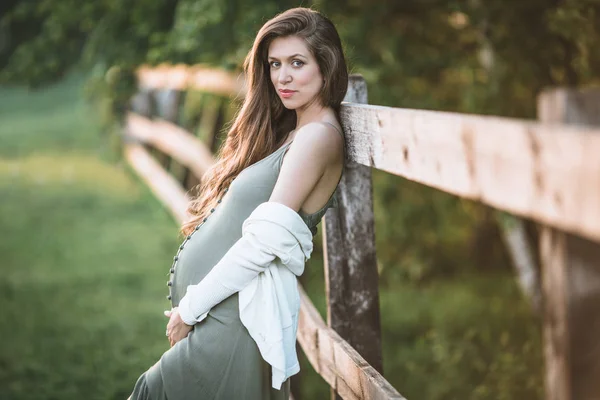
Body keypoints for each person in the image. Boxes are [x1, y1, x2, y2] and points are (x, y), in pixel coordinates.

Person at [129, 6, 348, 400]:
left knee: (152, 391)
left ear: (326, 66)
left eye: (297, 63)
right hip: (228, 310)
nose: (282, 76)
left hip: (239, 316)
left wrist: (191, 307)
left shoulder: (318, 138)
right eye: (274, 63)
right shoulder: (293, 131)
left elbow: (261, 245)